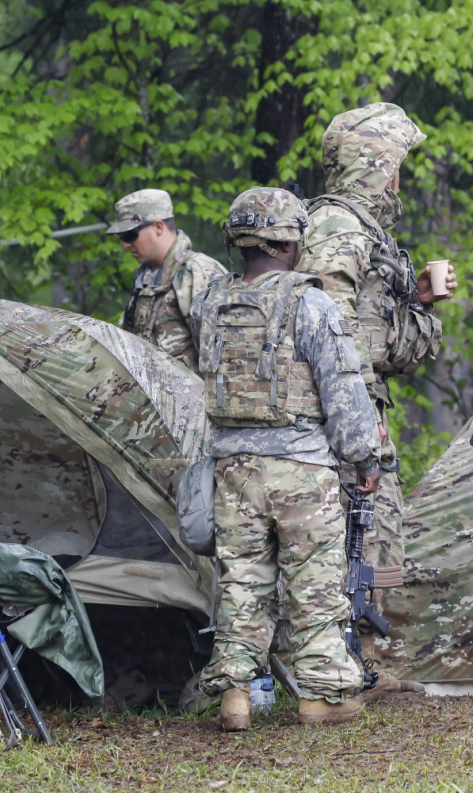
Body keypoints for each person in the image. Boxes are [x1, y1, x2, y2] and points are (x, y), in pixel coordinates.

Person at [190, 187, 383, 731]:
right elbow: (343, 390)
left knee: (242, 583)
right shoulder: (310, 303)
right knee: (314, 584)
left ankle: (234, 694)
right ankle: (321, 697)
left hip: (233, 469)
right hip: (302, 469)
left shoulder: (210, 303)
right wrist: (365, 460)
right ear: (287, 242)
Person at [297, 102, 454, 696]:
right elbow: (330, 327)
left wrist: (416, 302)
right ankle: (338, 665)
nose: (400, 180)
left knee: (370, 534)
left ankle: (357, 659)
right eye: (396, 166)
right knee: (353, 531)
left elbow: (370, 331)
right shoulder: (339, 227)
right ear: (376, 166)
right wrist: (359, 416)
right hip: (342, 414)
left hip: (356, 407)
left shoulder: (360, 229)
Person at [106, 189, 225, 370]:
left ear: (158, 227)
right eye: (122, 237)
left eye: (130, 235)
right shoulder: (146, 278)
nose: (125, 244)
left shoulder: (199, 273)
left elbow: (225, 357)